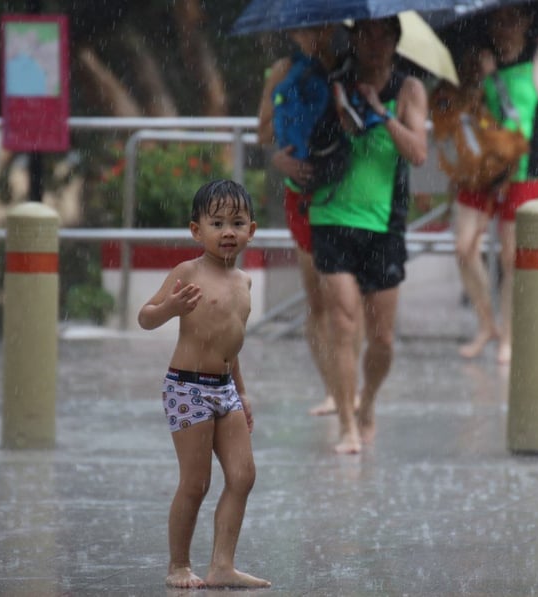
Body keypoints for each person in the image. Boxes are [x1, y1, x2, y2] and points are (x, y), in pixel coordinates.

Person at [137, 179, 270, 590]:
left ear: (252, 230)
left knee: (243, 475)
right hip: (187, 387)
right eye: (216, 223)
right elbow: (145, 316)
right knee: (196, 482)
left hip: (224, 387)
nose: (227, 231)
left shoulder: (244, 282)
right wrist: (170, 308)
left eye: (237, 222)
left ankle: (222, 565)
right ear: (197, 230)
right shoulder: (188, 271)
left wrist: (242, 391)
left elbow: (231, 343)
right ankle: (178, 564)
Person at [308, 16, 429, 454]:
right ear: (354, 39)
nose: (375, 44)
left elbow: (417, 152)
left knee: (382, 340)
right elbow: (303, 137)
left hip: (384, 225)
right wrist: (331, 121)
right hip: (332, 214)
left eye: (384, 36)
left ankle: (368, 402)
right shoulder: (332, 82)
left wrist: (380, 113)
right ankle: (346, 425)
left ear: (397, 42)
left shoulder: (408, 90)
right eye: (367, 35)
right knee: (342, 323)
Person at [451, 5, 538, 364]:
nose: (503, 28)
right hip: (479, 168)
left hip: (522, 171)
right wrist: (475, 78)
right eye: (497, 20)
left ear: (526, 20)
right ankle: (486, 323)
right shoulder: (475, 57)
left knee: (511, 257)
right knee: (464, 247)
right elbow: (457, 115)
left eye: (512, 19)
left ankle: (508, 334)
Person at [257, 25, 353, 417]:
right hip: (303, 190)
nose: (311, 35)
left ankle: (350, 387)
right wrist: (279, 156)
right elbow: (263, 130)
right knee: (318, 299)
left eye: (318, 28)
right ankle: (333, 390)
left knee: (347, 300)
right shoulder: (283, 70)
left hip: (347, 191)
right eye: (303, 30)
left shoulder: (351, 66)